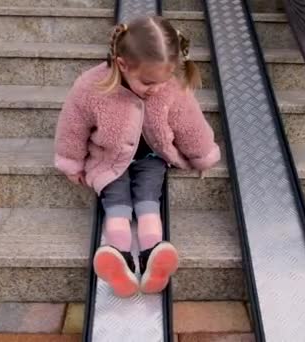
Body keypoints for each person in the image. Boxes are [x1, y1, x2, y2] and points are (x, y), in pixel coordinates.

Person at [54, 16, 220, 298]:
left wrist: (202, 155)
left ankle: (152, 253)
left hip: (153, 156)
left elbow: (189, 124)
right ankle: (119, 257)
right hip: (107, 160)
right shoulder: (91, 86)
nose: (155, 88)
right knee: (116, 199)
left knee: (147, 199)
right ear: (122, 64)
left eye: (162, 81)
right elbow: (73, 125)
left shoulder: (170, 89)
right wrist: (71, 161)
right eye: (147, 82)